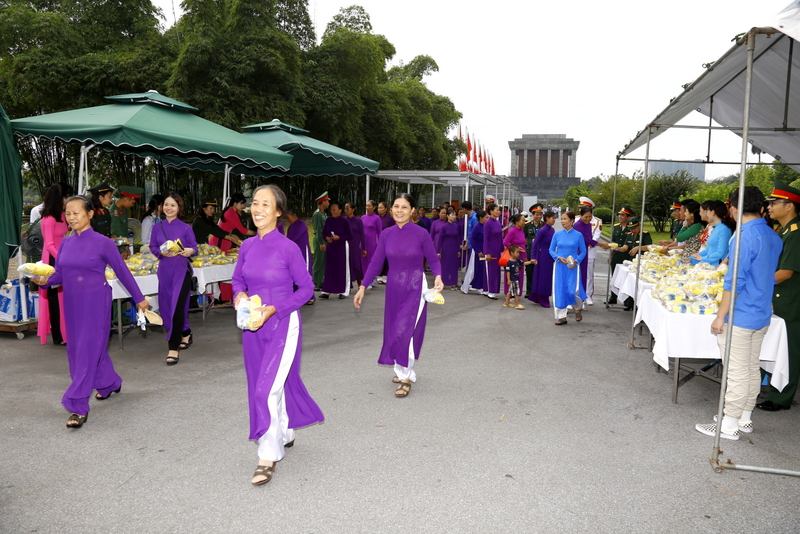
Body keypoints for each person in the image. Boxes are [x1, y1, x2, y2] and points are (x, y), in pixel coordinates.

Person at [231, 184, 324, 485]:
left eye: (265, 204)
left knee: (266, 388)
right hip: (252, 326)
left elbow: (307, 289)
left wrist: (275, 309)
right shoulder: (247, 246)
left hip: (282, 324)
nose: (257, 209)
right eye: (255, 203)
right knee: (265, 384)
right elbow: (237, 280)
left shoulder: (288, 248)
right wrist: (239, 295)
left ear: (278, 211)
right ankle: (284, 431)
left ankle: (268, 454)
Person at [33, 196, 148, 429]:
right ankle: (109, 383)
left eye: (76, 213)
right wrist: (44, 280)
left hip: (96, 302)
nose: (71, 217)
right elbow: (60, 274)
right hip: (72, 303)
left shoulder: (103, 242)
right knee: (82, 348)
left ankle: (77, 405)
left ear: (90, 214)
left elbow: (122, 271)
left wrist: (140, 299)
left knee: (85, 352)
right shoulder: (66, 243)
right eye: (68, 213)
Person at [695, 186, 782, 440]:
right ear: (762, 207)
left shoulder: (743, 236)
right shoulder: (773, 235)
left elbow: (734, 282)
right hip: (761, 311)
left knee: (736, 371)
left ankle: (729, 424)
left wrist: (720, 315)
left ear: (733, 208)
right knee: (751, 367)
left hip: (742, 313)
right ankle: (744, 417)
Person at [353, 193, 443, 398]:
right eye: (396, 206)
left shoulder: (421, 233)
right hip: (394, 286)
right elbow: (376, 262)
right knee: (394, 329)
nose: (399, 210)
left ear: (412, 211)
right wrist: (363, 287)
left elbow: (433, 259)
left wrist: (438, 276)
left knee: (405, 330)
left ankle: (406, 376)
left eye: (404, 207)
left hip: (415, 286)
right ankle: (401, 368)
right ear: (391, 209)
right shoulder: (387, 234)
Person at [757, 180, 800, 412]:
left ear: (790, 206)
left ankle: (781, 398)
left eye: (774, 203)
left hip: (791, 301)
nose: (769, 207)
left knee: (789, 351)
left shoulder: (796, 233)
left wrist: (756, 284)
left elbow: (785, 272)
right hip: (779, 297)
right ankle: (766, 386)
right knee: (776, 345)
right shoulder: (783, 231)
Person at [149, 193, 197, 366]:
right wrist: (160, 253)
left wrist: (190, 251)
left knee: (177, 307)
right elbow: (153, 246)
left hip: (181, 271)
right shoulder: (157, 227)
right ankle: (186, 332)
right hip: (164, 272)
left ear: (179, 208)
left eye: (173, 205)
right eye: (166, 204)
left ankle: (173, 347)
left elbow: (194, 248)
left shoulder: (185, 228)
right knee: (167, 308)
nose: (169, 208)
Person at [38, 182, 73, 345]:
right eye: (67, 197)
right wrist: (62, 258)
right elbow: (49, 244)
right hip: (54, 259)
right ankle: (59, 335)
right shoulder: (49, 219)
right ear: (60, 198)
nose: (68, 200)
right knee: (55, 298)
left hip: (64, 255)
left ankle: (68, 332)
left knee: (65, 297)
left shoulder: (62, 215)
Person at [549, 211, 587, 325]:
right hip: (560, 266)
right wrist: (557, 257)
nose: (562, 221)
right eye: (561, 219)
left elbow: (583, 251)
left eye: (565, 219)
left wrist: (576, 261)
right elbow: (551, 250)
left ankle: (577, 307)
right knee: (560, 290)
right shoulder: (557, 234)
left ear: (572, 220)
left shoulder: (578, 235)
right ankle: (562, 316)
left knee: (572, 290)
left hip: (572, 267)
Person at [319, 201, 353, 299]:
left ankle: (342, 291)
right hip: (331, 246)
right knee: (329, 268)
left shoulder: (344, 221)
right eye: (331, 209)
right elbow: (323, 233)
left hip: (341, 247)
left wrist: (340, 237)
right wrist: (326, 238)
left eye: (334, 209)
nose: (332, 211)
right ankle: (327, 290)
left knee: (341, 268)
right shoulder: (328, 220)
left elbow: (350, 236)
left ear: (340, 210)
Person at [618, 218, 653, 310]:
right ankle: (629, 302)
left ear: (639, 226)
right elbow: (625, 247)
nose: (633, 231)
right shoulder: (629, 235)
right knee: (631, 282)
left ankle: (636, 304)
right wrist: (619, 248)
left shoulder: (645, 235)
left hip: (642, 262)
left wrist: (638, 248)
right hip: (632, 262)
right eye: (631, 229)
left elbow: (650, 246)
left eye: (634, 228)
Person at [691, 200, 735, 266]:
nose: (706, 214)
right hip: (710, 265)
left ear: (712, 212)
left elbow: (720, 253)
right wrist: (692, 258)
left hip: (717, 266)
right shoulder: (715, 227)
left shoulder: (724, 229)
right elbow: (708, 249)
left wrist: (702, 258)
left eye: (707, 211)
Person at [606, 206, 634, 305]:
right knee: (615, 276)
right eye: (619, 215)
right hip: (616, 254)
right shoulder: (616, 227)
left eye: (623, 215)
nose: (620, 217)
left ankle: (627, 300)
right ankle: (613, 296)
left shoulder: (631, 228)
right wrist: (610, 255)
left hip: (627, 255)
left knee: (626, 278)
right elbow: (613, 242)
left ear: (628, 217)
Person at [528, 210, 557, 307]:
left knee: (547, 276)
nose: (554, 220)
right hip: (542, 256)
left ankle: (537, 296)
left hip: (549, 255)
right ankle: (543, 297)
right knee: (543, 277)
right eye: (553, 218)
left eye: (555, 218)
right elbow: (535, 244)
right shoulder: (543, 230)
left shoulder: (552, 230)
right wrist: (533, 257)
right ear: (547, 218)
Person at [111, 185, 143, 258]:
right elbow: (116, 234)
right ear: (126, 199)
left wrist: (126, 246)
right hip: (117, 249)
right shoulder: (114, 212)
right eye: (132, 203)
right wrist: (122, 250)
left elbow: (124, 231)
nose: (132, 205)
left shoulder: (122, 209)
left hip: (123, 245)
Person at [435, 208, 462, 290]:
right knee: (445, 265)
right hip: (446, 247)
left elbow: (458, 238)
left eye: (455, 215)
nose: (454, 216)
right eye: (452, 215)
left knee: (454, 266)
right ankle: (444, 282)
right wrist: (438, 251)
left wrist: (458, 250)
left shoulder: (456, 226)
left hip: (454, 247)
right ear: (448, 216)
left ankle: (454, 283)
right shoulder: (444, 227)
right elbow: (440, 239)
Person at [462, 210, 488, 294]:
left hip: (484, 250)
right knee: (473, 269)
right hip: (477, 251)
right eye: (486, 217)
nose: (487, 219)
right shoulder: (477, 227)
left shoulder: (486, 226)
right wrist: (478, 251)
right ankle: (465, 287)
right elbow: (472, 239)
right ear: (481, 218)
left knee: (482, 269)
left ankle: (481, 286)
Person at [524, 204, 545, 298]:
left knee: (540, 272)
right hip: (530, 251)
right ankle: (529, 291)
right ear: (532, 215)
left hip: (540, 251)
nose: (539, 216)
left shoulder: (544, 225)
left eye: (540, 214)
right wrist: (524, 253)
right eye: (537, 214)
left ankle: (538, 291)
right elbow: (523, 239)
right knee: (529, 271)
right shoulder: (527, 225)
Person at [503, 213, 527, 295]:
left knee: (519, 275)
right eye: (523, 221)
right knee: (512, 275)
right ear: (517, 222)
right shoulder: (512, 231)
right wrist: (515, 249)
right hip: (514, 257)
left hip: (521, 256)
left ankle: (517, 293)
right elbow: (505, 242)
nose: (524, 222)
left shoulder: (522, 230)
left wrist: (525, 256)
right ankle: (510, 294)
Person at [483, 203, 503, 300]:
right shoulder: (488, 223)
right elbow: (485, 238)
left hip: (497, 249)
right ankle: (489, 290)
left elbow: (500, 236)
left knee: (496, 271)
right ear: (491, 211)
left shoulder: (497, 222)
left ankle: (493, 289)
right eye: (496, 210)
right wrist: (487, 252)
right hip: (490, 249)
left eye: (499, 210)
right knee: (491, 270)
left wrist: (502, 249)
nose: (498, 211)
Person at [361, 200, 383, 289]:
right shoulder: (362, 217)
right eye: (366, 206)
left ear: (374, 207)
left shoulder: (377, 218)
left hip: (372, 243)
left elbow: (380, 232)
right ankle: (366, 279)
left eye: (369, 206)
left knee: (370, 262)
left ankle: (369, 280)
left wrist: (380, 245)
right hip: (363, 243)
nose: (367, 208)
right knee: (363, 262)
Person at [503, 245, 532, 310]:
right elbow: (508, 272)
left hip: (516, 278)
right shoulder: (509, 262)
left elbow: (523, 263)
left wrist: (530, 262)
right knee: (516, 292)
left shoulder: (517, 260)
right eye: (517, 252)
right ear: (512, 253)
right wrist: (508, 279)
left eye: (518, 252)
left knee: (510, 291)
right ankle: (517, 304)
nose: (518, 254)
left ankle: (506, 303)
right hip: (513, 279)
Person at [345, 203, 366, 287]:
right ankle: (349, 285)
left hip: (355, 245)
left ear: (353, 209)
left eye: (348, 208)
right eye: (345, 209)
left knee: (357, 265)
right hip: (346, 245)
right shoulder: (344, 220)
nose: (346, 210)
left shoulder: (358, 221)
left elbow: (362, 235)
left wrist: (364, 248)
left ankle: (359, 284)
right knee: (347, 265)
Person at [311, 192, 329, 290]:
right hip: (319, 240)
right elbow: (318, 230)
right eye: (327, 201)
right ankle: (315, 282)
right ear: (323, 202)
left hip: (324, 240)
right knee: (318, 262)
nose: (328, 203)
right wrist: (321, 243)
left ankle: (320, 281)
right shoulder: (318, 214)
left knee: (323, 262)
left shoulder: (323, 213)